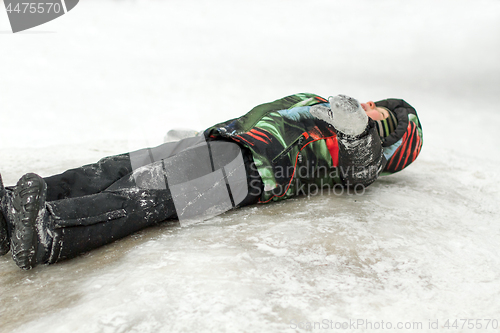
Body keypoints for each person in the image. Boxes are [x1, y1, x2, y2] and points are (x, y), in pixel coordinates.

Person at [0, 93, 423, 270]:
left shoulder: (356, 144)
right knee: (111, 169)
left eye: (380, 113)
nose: (368, 105)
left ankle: (50, 232)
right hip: (218, 138)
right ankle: (11, 210)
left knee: (150, 193)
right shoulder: (325, 103)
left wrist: (358, 130)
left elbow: (362, 170)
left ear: (390, 140)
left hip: (253, 169)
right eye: (374, 102)